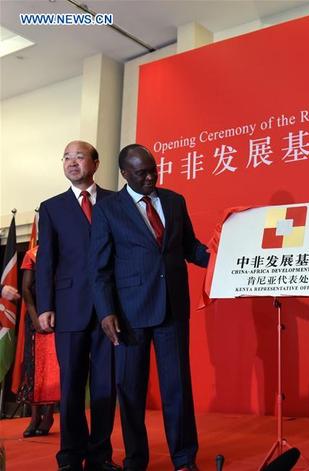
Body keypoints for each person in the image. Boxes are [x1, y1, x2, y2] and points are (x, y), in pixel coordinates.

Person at [90, 144, 209, 471]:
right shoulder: (107, 209)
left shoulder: (174, 200)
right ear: (125, 174)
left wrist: (223, 258)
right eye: (142, 173)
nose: (151, 177)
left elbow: (190, 248)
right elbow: (99, 269)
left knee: (178, 387)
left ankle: (184, 459)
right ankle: (136, 460)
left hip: (172, 307)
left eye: (154, 169)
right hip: (129, 314)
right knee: (131, 392)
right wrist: (106, 311)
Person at [36, 141, 119, 471]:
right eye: (66, 157)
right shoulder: (52, 207)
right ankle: (70, 456)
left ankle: (100, 456)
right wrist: (45, 305)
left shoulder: (116, 202)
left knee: (105, 385)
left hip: (110, 309)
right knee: (70, 385)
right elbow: (46, 261)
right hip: (69, 306)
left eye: (79, 157)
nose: (72, 163)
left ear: (95, 163)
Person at [17, 245, 59, 438]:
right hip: (35, 318)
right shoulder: (32, 254)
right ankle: (34, 417)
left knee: (52, 369)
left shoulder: (62, 250)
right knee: (34, 368)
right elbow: (25, 289)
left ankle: (48, 416)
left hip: (57, 317)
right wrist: (35, 318)